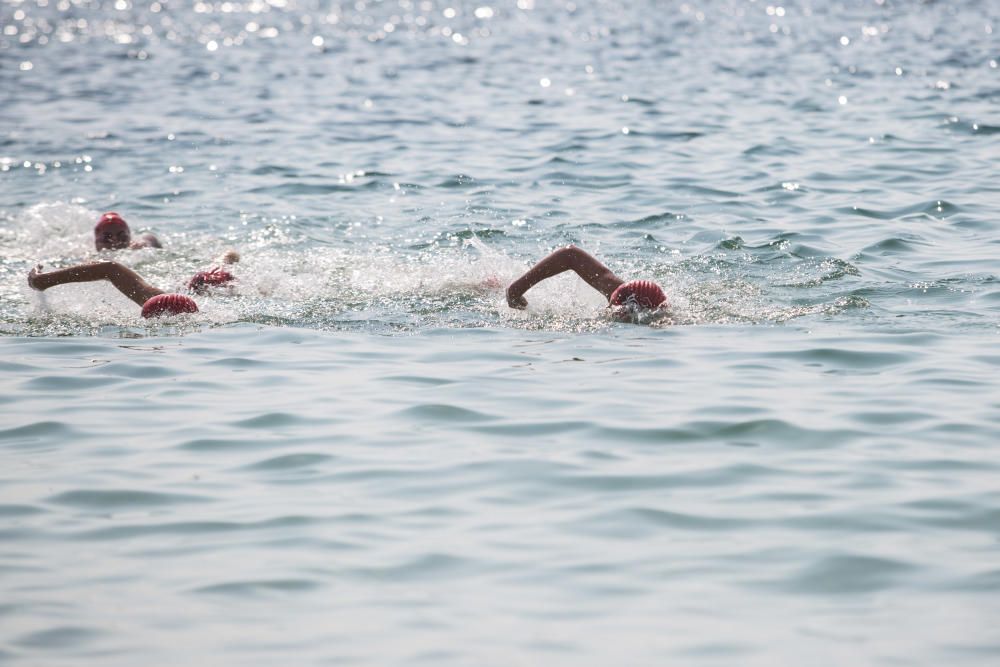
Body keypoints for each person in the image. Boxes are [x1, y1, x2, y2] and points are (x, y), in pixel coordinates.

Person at [27, 251, 239, 318]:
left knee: (215, 273)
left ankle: (225, 258)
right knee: (208, 275)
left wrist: (43, 280)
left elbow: (110, 268)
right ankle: (225, 258)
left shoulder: (151, 298)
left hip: (203, 288)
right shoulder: (154, 298)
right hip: (194, 287)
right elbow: (109, 268)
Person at [506, 245, 667, 320]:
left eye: (617, 311)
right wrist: (517, 288)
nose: (609, 310)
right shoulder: (618, 289)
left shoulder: (662, 320)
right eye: (612, 306)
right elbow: (570, 255)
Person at [94, 211, 162, 251]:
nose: (115, 241)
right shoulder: (88, 254)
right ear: (96, 242)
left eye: (121, 236)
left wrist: (146, 244)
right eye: (107, 237)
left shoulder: (137, 246)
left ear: (129, 236)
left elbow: (150, 239)